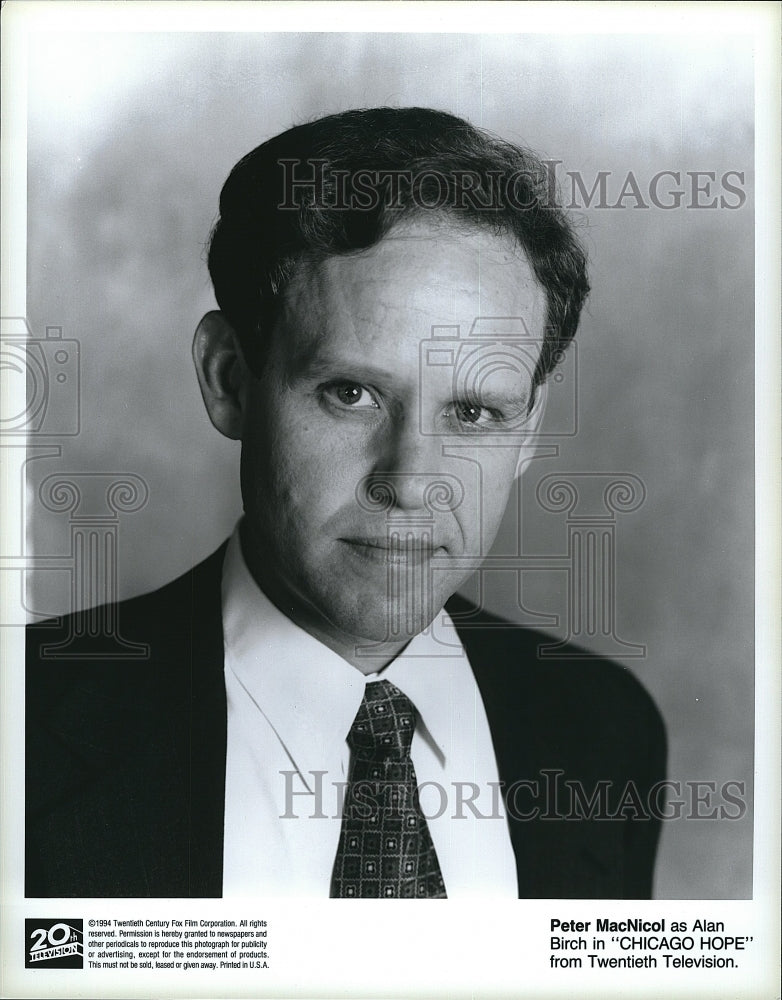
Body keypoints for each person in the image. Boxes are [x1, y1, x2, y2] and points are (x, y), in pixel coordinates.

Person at [26, 107, 666, 899]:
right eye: (352, 393)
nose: (410, 480)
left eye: (473, 413)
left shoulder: (604, 729)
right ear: (229, 377)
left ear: (529, 428)